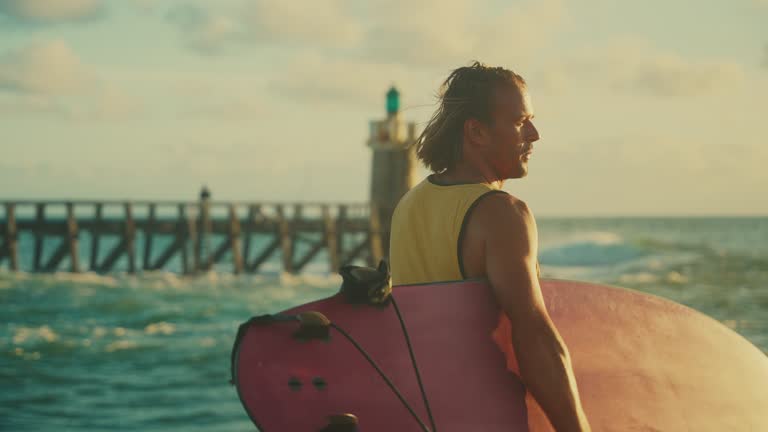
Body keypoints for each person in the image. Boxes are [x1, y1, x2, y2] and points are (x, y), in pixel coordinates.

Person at [389, 61, 592, 432]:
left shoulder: (409, 205)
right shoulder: (501, 212)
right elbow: (533, 335)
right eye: (519, 122)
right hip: (482, 414)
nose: (534, 134)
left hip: (420, 411)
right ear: (477, 132)